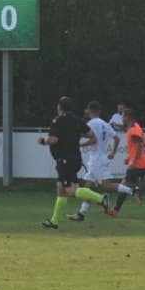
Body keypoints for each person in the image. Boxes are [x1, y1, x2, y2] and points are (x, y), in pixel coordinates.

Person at [40, 96, 107, 229]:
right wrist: (74, 136)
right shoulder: (78, 120)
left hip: (65, 160)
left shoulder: (57, 121)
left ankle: (101, 198)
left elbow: (53, 140)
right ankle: (54, 221)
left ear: (59, 107)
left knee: (70, 191)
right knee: (61, 190)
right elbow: (91, 134)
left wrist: (43, 141)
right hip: (75, 158)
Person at [73, 100, 116, 221]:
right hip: (100, 157)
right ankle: (81, 213)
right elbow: (116, 137)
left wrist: (81, 144)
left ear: (89, 110)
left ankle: (131, 191)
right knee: (88, 186)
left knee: (106, 185)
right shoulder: (105, 124)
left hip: (95, 159)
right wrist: (113, 151)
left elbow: (93, 140)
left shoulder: (90, 123)